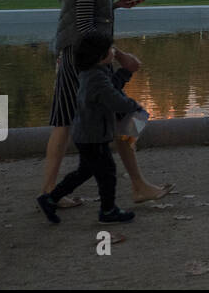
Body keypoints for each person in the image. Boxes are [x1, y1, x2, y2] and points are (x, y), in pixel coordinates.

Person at [42, 0, 171, 207]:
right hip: (82, 60)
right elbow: (86, 27)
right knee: (117, 118)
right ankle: (134, 186)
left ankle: (54, 190)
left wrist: (114, 7)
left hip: (83, 58)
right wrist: (120, 55)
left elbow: (90, 15)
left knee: (79, 121)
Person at [37, 32, 143, 225]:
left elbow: (111, 88)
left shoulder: (93, 73)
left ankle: (50, 198)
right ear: (100, 55)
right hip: (93, 136)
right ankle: (108, 210)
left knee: (85, 171)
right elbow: (115, 100)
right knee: (107, 173)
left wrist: (125, 73)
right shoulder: (96, 78)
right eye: (111, 49)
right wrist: (135, 106)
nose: (113, 51)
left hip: (87, 134)